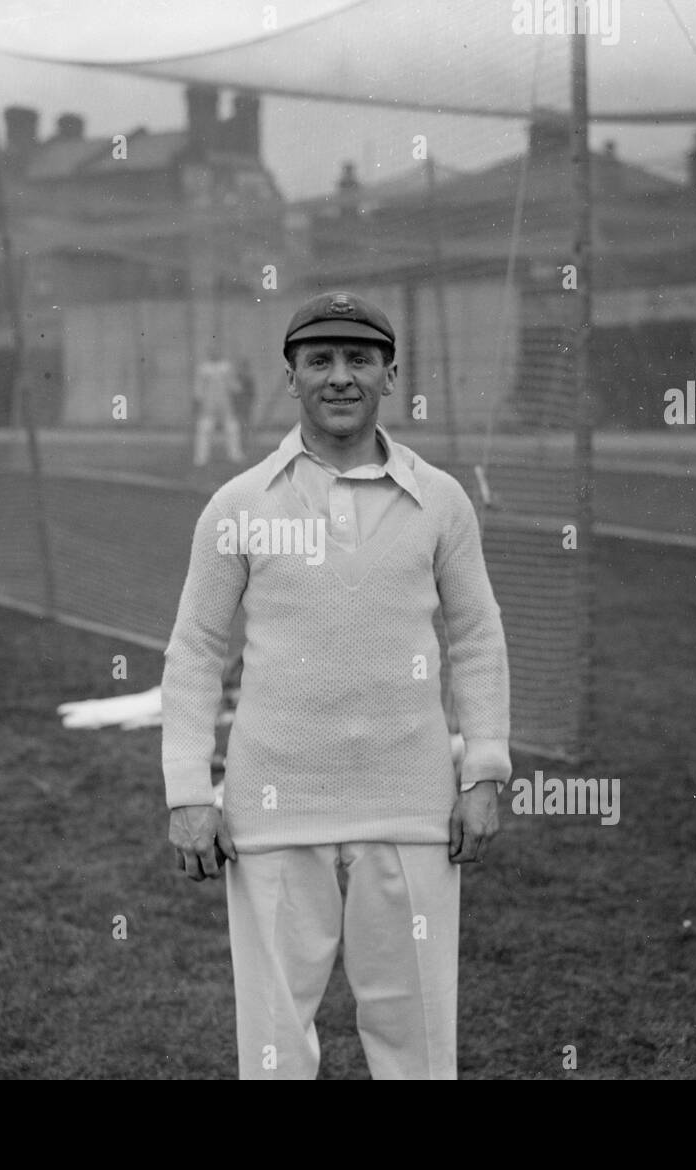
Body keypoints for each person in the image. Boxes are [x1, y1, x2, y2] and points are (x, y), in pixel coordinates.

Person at [162, 291, 512, 1079]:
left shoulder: (441, 500)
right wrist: (187, 792)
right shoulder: (239, 504)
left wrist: (485, 772)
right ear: (291, 378)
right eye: (319, 360)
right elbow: (196, 650)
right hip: (275, 802)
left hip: (412, 802)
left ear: (391, 374)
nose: (340, 377)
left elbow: (477, 637)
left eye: (360, 359)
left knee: (418, 1035)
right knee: (274, 1040)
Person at [192, 344, 244, 468]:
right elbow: (198, 388)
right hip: (208, 405)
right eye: (212, 351)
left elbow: (234, 385)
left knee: (232, 429)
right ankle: (201, 458)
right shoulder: (203, 369)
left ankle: (235, 455)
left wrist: (238, 391)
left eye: (217, 351)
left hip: (225, 404)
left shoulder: (226, 367)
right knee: (204, 429)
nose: (214, 353)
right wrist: (198, 401)